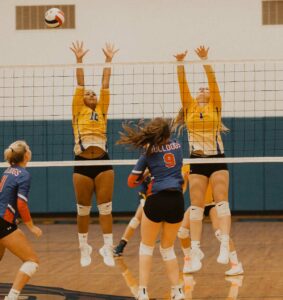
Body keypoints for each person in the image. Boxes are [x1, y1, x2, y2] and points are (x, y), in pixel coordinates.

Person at [174, 45, 232, 271]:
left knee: (222, 203)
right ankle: (196, 249)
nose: (202, 89)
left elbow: (213, 80)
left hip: (217, 159)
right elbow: (182, 86)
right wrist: (180, 63)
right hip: (197, 160)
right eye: (200, 88)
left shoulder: (215, 106)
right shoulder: (189, 107)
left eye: (206, 89)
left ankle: (225, 245)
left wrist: (205, 59)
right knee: (196, 207)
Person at [117, 117, 185, 300]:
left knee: (146, 247)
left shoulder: (147, 153)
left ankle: (143, 291)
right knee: (168, 249)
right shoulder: (178, 146)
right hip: (177, 200)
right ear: (168, 133)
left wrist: (146, 174)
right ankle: (178, 290)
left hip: (156, 199)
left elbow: (131, 182)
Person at [70, 41, 119, 267]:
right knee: (83, 211)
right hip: (81, 161)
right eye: (87, 93)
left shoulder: (102, 109)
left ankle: (107, 248)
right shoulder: (77, 110)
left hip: (102, 162)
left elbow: (105, 84)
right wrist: (79, 60)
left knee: (106, 208)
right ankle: (84, 247)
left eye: (93, 93)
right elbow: (80, 83)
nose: (90, 93)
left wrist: (108, 61)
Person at [178, 165, 243, 275]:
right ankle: (189, 260)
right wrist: (182, 181)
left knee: (220, 233)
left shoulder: (212, 163)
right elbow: (183, 188)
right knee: (182, 232)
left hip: (212, 204)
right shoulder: (186, 165)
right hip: (198, 205)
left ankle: (236, 264)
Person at [0, 141, 42, 300]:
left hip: (3, 220)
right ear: (26, 155)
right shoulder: (24, 174)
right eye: (29, 149)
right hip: (3, 223)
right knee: (32, 261)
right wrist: (31, 226)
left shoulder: (8, 171)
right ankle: (12, 297)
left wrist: (13, 218)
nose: (30, 150)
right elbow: (21, 204)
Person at [113, 173, 152, 257]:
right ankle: (121, 246)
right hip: (150, 198)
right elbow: (142, 188)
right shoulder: (147, 167)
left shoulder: (166, 166)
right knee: (136, 220)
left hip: (164, 197)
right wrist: (143, 202)